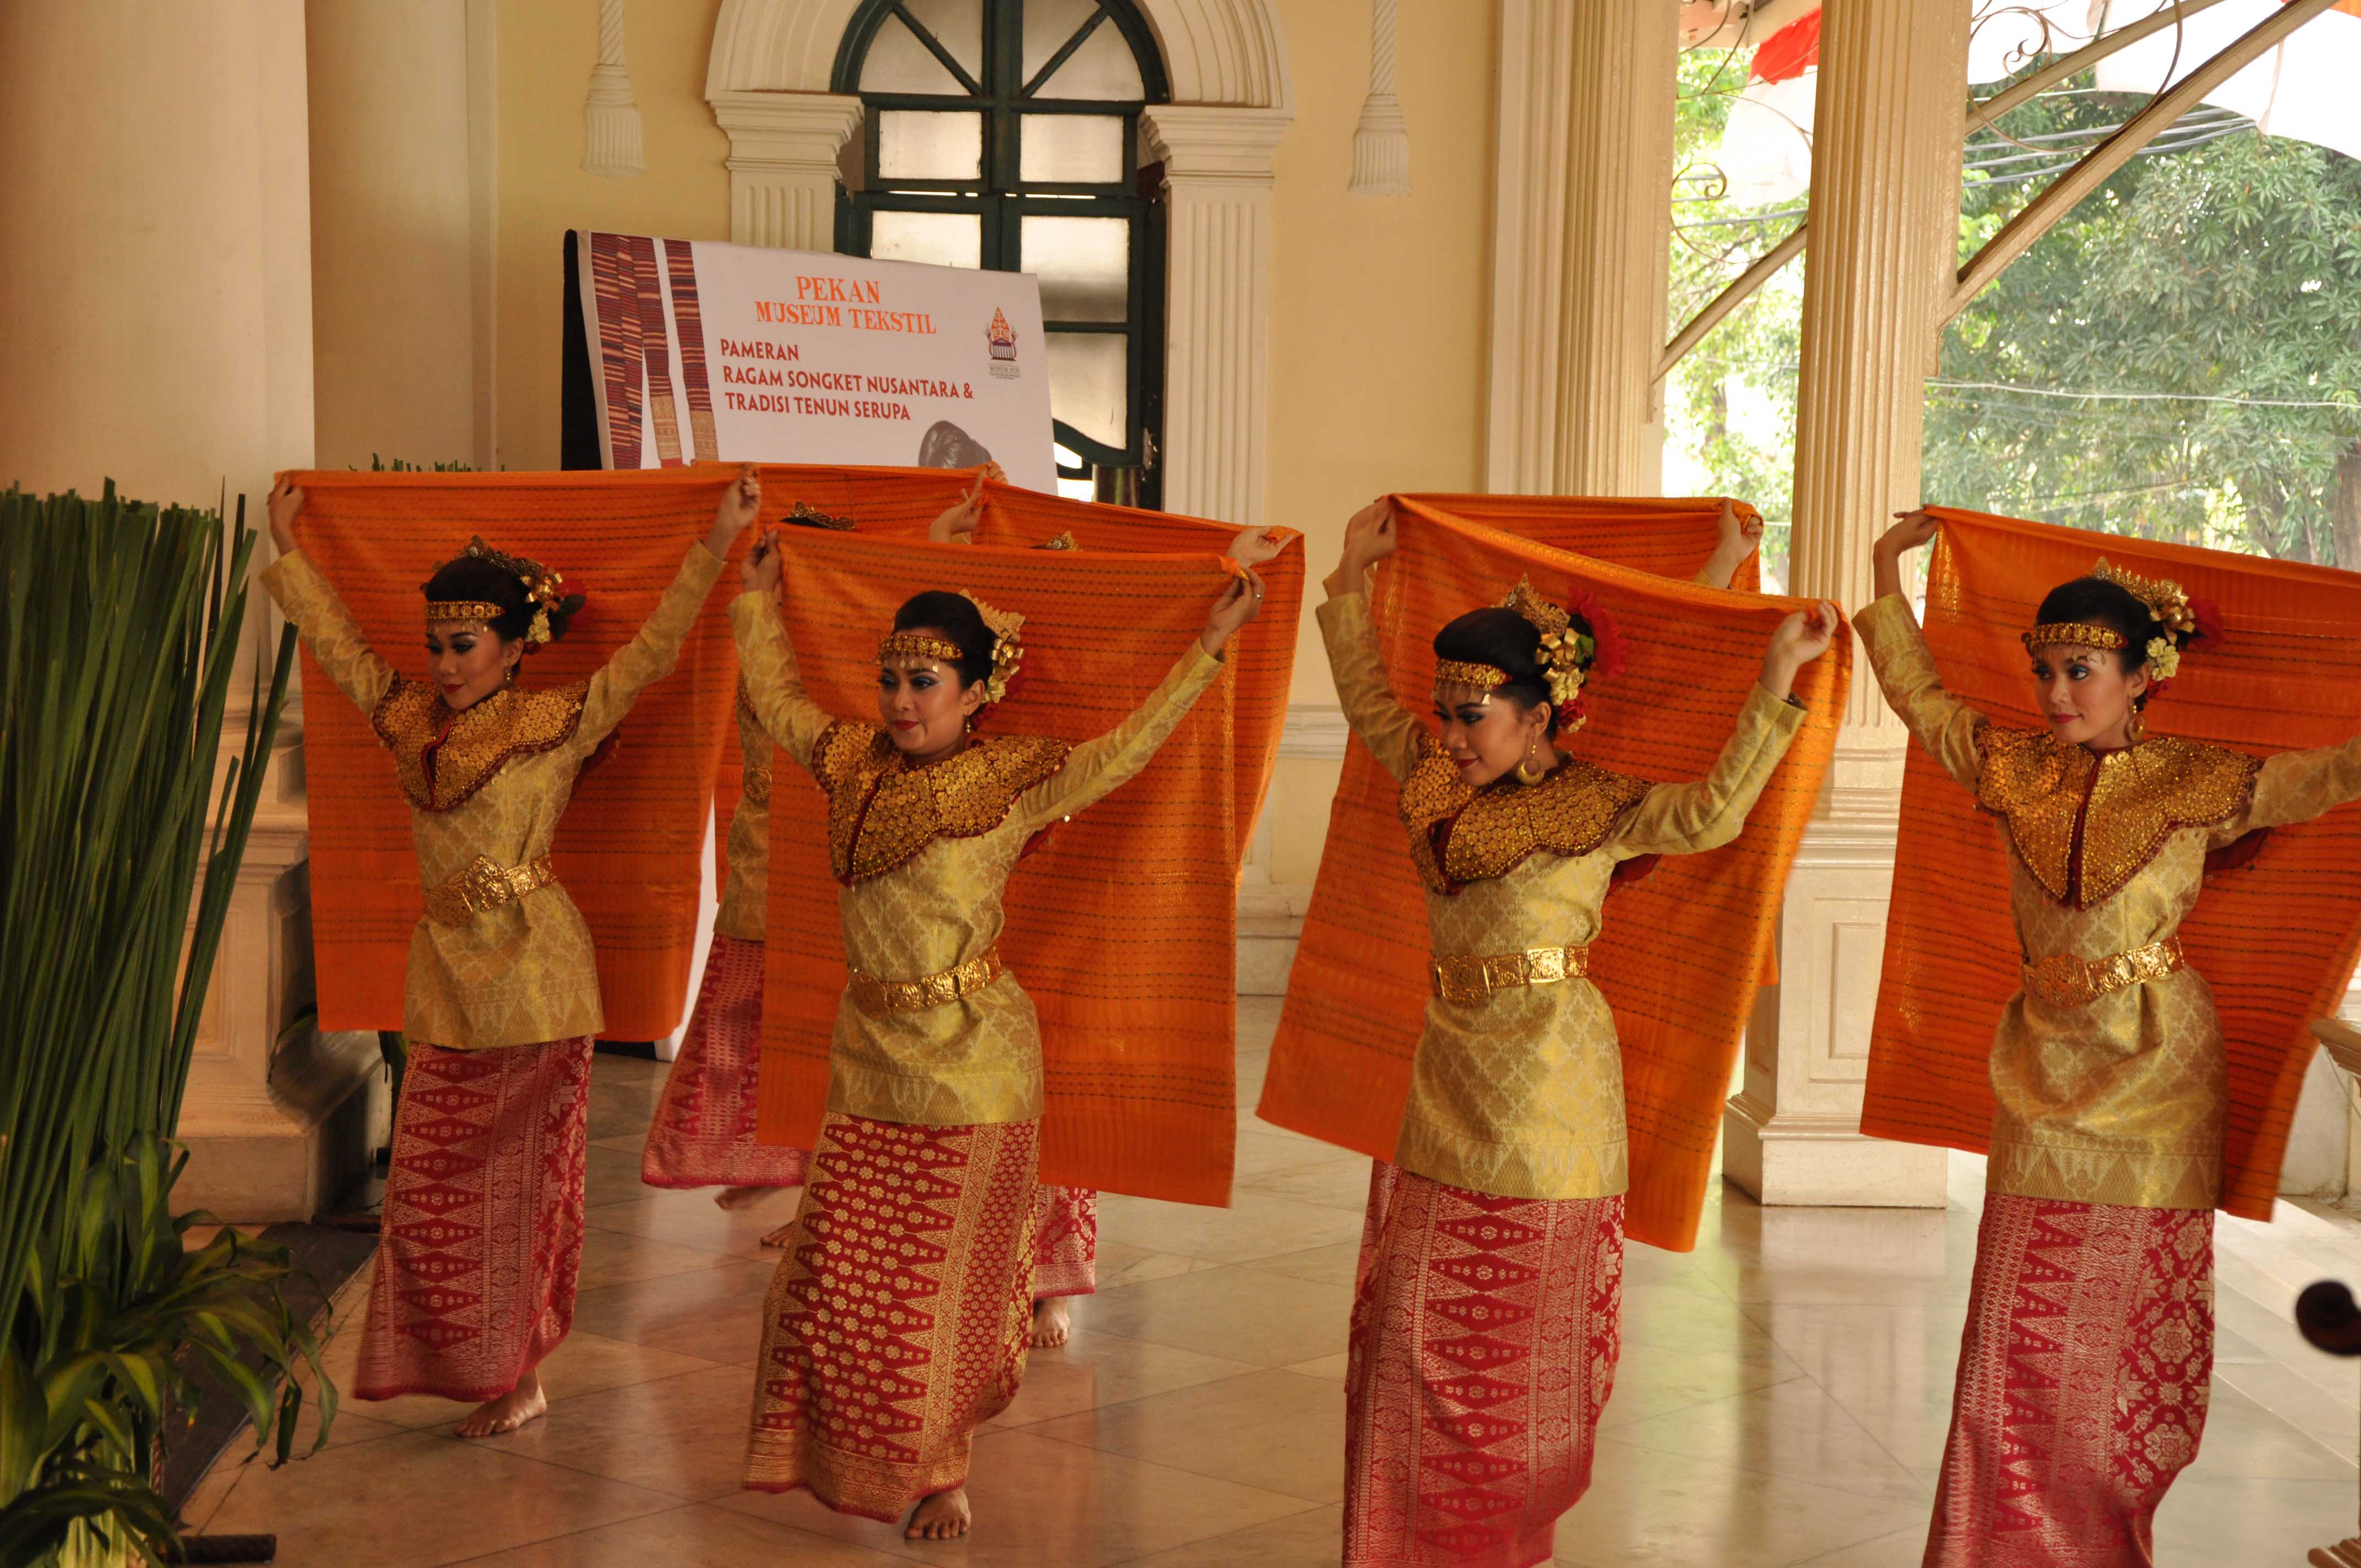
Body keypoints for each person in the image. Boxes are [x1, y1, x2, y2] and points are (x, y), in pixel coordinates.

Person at [732, 491, 1276, 1540]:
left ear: (979, 691)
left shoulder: (1012, 777)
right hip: (867, 1054)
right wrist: (756, 603)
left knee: (946, 1289)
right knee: (841, 1279)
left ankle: (944, 1469)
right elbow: (779, 694)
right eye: (890, 679)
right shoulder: (847, 762)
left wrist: (1207, 649)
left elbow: (1125, 748)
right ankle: (834, 1442)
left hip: (974, 1063)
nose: (899, 699)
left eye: (924, 683)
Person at [1318, 499, 1835, 1568]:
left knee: (1511, 1347)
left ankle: (1496, 1541)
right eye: (1447, 711)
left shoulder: (1597, 804)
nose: (1453, 735)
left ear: (1541, 712)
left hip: (1554, 1100)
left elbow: (1709, 813)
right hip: (1443, 1081)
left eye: (1475, 714)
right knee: (1409, 1336)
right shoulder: (1427, 777)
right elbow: (1364, 694)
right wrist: (1344, 581)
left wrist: (1774, 670)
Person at [1864, 509, 2361, 1566]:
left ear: (2143, 676)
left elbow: (2323, 777)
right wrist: (1881, 573)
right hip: (2041, 1064)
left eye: (2081, 669)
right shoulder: (2009, 765)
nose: (2054, 694)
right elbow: (1919, 698)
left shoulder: (2198, 779)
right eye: (2045, 669)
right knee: (2015, 1334)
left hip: (2160, 1074)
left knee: (2122, 1344)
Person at [260, 467, 750, 1438]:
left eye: (466, 644)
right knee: (433, 1183)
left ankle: (519, 1374)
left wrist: (717, 542)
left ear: (516, 646)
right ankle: (467, 1357)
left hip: (538, 980)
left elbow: (654, 653)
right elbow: (343, 650)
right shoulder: (411, 724)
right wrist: (289, 553)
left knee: (527, 1187)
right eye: (437, 644)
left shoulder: (552, 724)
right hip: (447, 977)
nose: (445, 663)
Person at [640, 477, 992, 1238]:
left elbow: (903, 627)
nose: (904, 696)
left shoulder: (953, 731)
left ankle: (854, 1209)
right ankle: (818, 1199)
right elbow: (755, 681)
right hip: (788, 882)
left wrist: (940, 547)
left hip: (905, 925)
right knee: (800, 1054)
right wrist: (740, 568)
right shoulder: (803, 693)